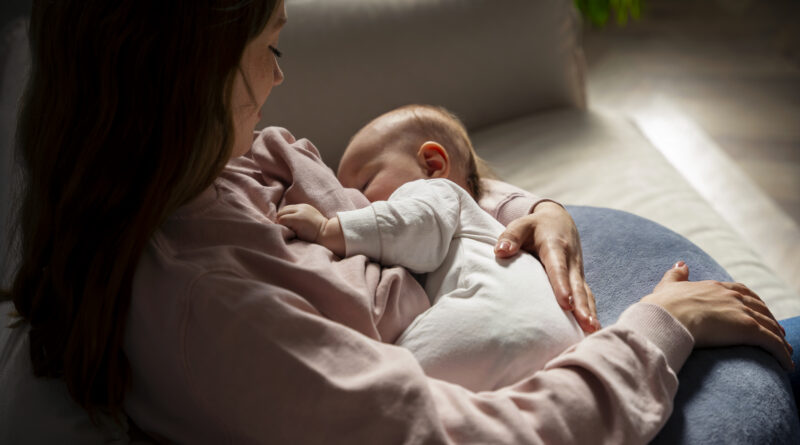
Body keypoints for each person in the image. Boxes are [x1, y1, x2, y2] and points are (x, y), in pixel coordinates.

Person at [2, 0, 794, 443]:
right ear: (191, 78)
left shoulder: (214, 172)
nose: (279, 77)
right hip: (567, 389)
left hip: (525, 304)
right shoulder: (212, 315)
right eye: (269, 48)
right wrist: (658, 327)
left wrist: (529, 210)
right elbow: (464, 436)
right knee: (783, 347)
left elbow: (411, 202)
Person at [277, 104, 585, 391]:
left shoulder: (434, 191)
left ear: (431, 165)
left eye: (364, 185)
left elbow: (415, 224)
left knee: (381, 385)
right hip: (559, 338)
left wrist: (327, 228)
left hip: (491, 320)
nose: (357, 202)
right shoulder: (479, 223)